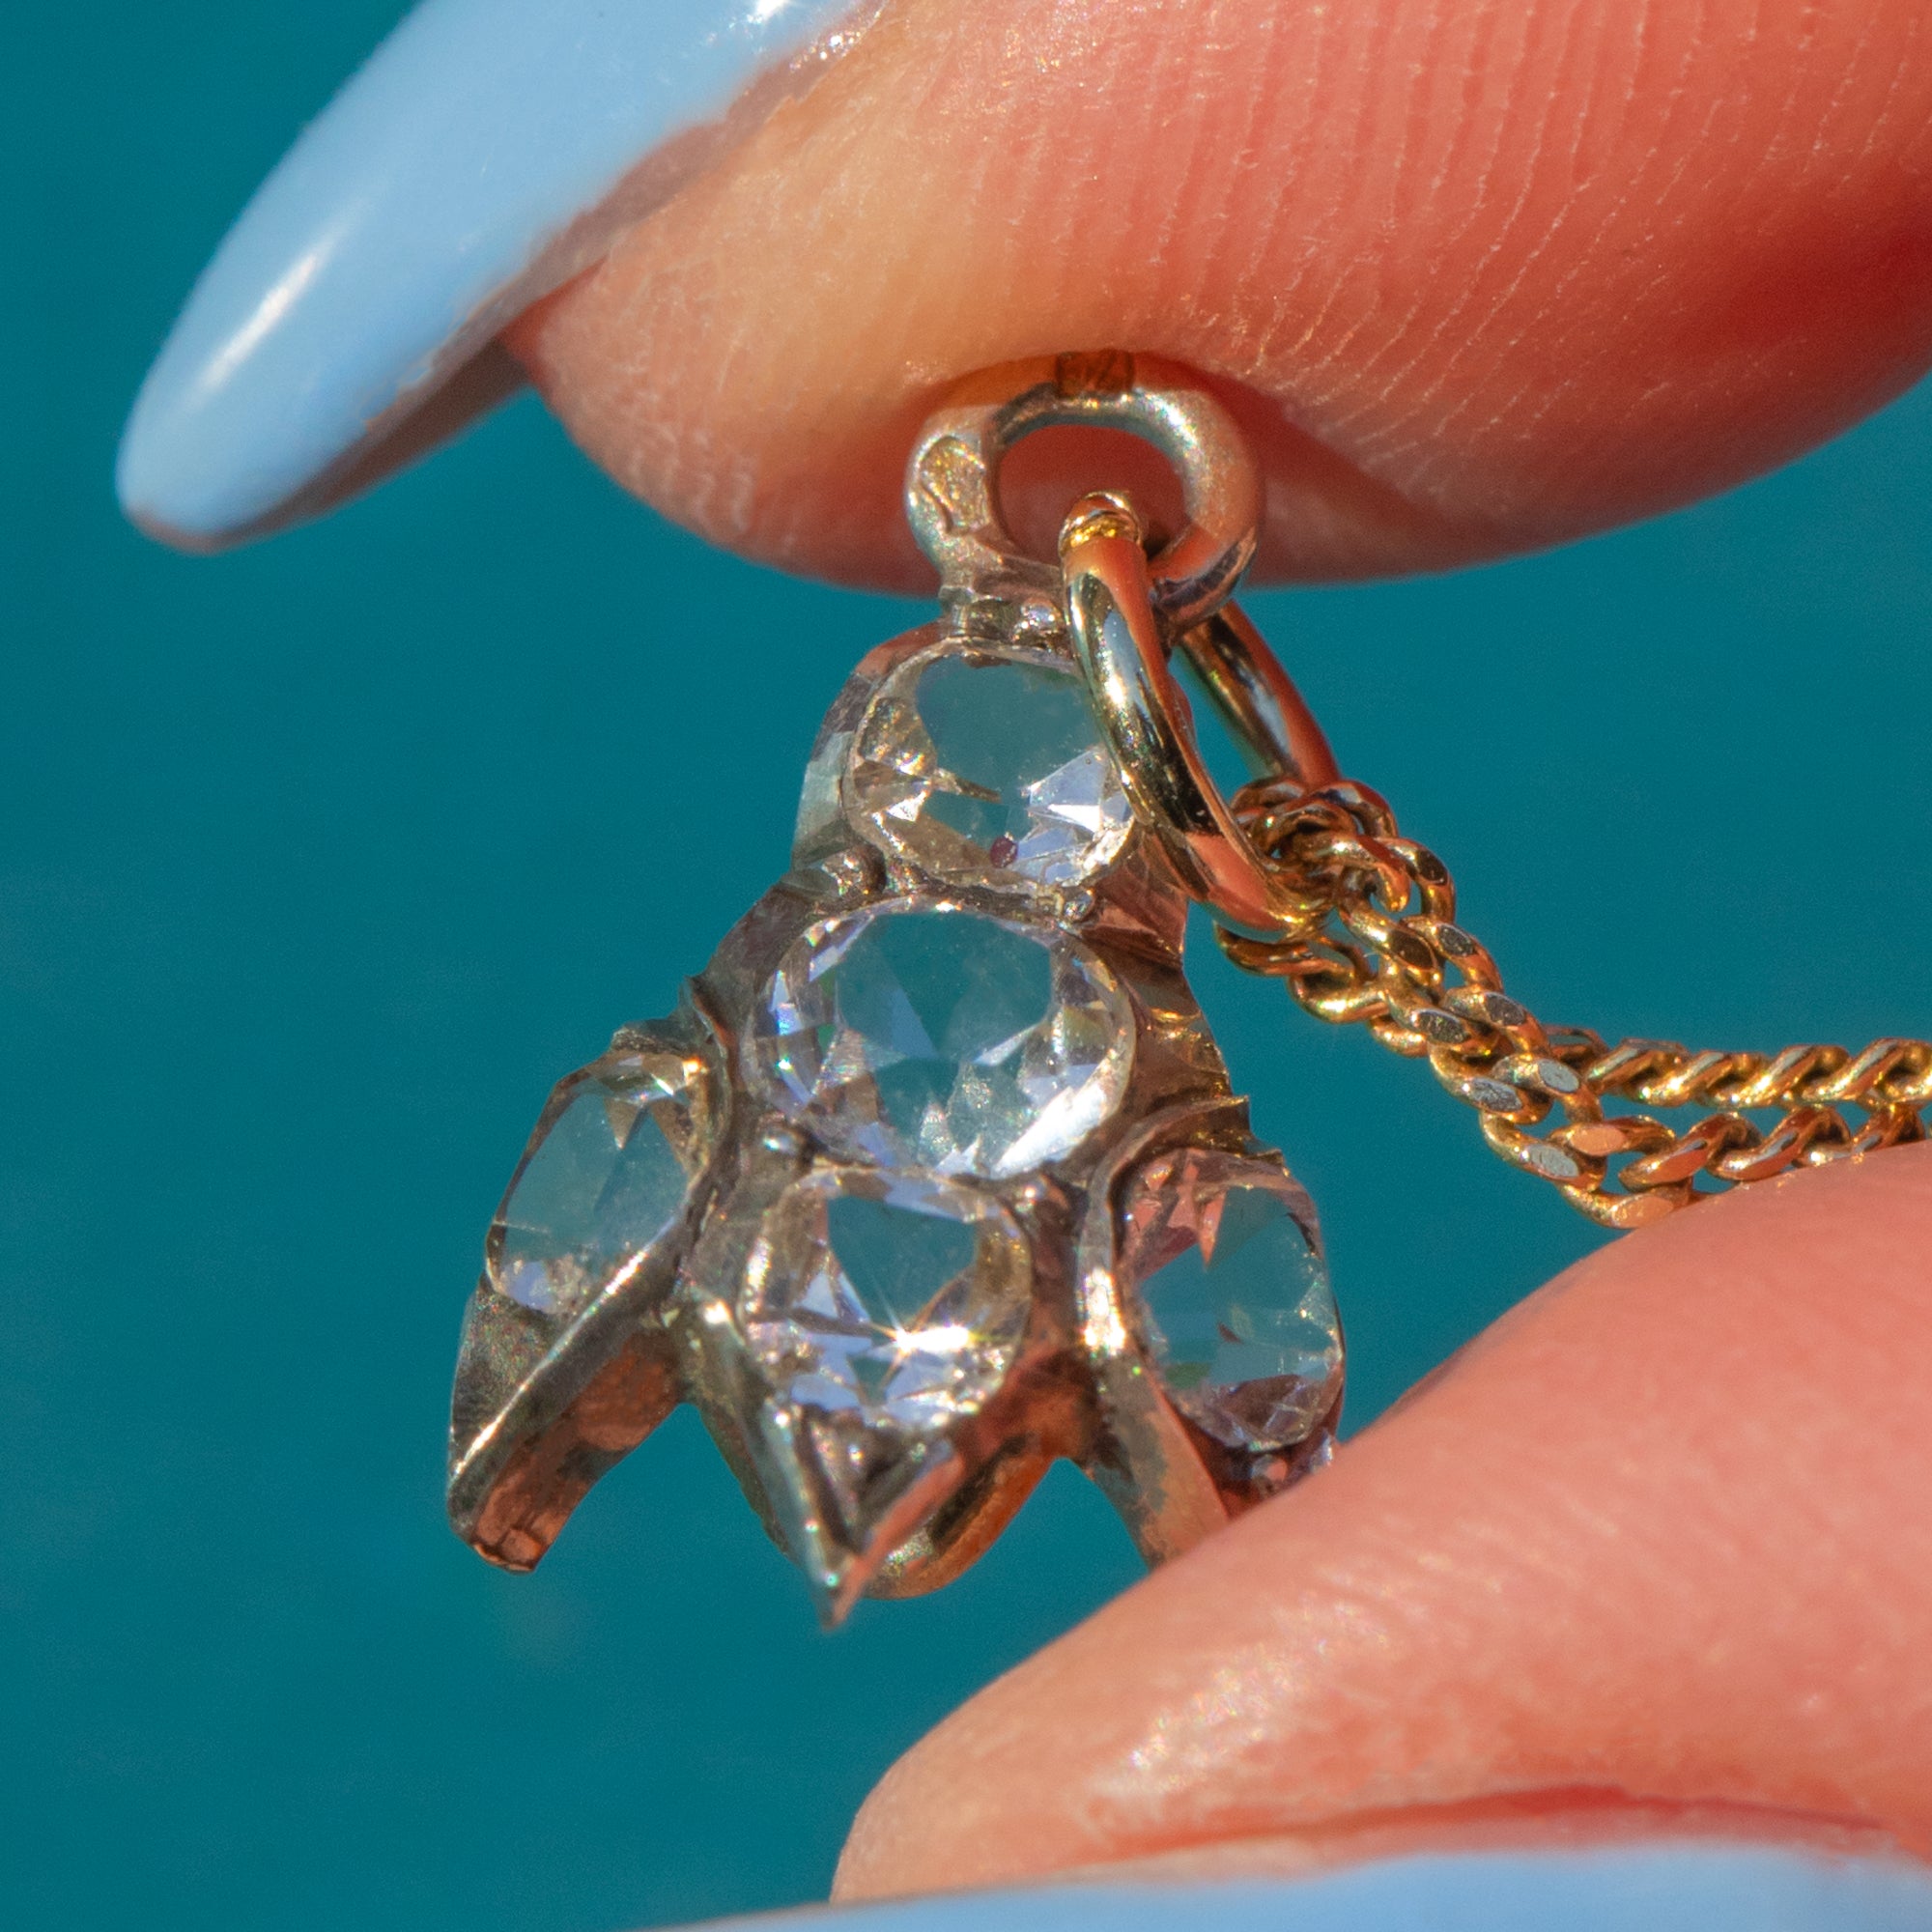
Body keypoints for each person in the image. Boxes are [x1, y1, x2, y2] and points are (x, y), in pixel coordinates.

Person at [121, 2, 1932, 1923]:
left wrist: (529, 1442)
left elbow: (627, 1177)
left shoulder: (721, 1072)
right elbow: (1215, 1330)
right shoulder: (1133, 1151)